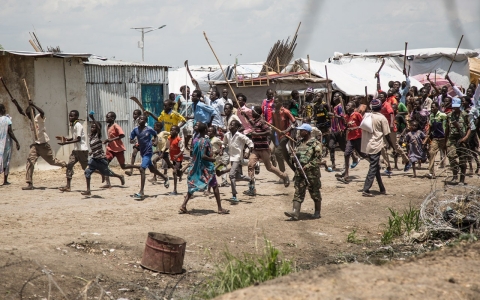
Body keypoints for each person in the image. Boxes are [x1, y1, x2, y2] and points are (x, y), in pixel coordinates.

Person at [179, 122, 230, 215]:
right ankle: (220, 208)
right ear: (206, 130)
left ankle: (183, 205)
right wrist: (213, 159)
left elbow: (194, 154)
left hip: (196, 167)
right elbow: (203, 156)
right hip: (206, 168)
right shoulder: (205, 141)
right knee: (215, 186)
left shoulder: (195, 140)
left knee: (192, 186)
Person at [246, 106, 289, 196]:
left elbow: (269, 132)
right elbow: (251, 122)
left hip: (264, 148)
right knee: (250, 166)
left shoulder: (262, 122)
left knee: (269, 168)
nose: (251, 113)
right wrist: (245, 116)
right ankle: (252, 188)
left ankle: (284, 176)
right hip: (256, 149)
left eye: (253, 111)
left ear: (257, 113)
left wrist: (257, 134)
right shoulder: (255, 122)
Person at [22, 101, 66, 190]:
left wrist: (33, 104)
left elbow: (42, 112)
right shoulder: (31, 121)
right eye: (27, 114)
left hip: (43, 145)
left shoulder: (38, 118)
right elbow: (21, 112)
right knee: (30, 162)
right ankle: (29, 183)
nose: (28, 116)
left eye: (29, 114)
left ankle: (66, 165)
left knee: (52, 161)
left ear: (33, 113)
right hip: (35, 145)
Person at [284, 123, 322, 220]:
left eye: (302, 130)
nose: (300, 132)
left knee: (315, 193)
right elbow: (296, 155)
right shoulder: (299, 143)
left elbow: (318, 160)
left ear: (307, 132)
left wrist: (306, 167)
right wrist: (293, 158)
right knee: (298, 192)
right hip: (299, 173)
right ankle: (295, 213)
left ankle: (317, 212)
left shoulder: (315, 143)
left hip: (312, 173)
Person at [127, 114, 169, 200]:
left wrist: (156, 142)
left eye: (143, 119)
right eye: (139, 118)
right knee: (152, 169)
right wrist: (133, 141)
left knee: (142, 169)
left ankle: (141, 192)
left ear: (146, 121)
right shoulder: (135, 130)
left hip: (148, 152)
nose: (140, 120)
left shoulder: (149, 129)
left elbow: (155, 135)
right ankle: (165, 178)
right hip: (142, 152)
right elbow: (131, 139)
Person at [359, 99, 395, 197]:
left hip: (367, 145)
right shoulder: (382, 118)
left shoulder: (367, 116)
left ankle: (382, 188)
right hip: (375, 145)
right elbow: (387, 135)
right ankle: (366, 189)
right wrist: (393, 146)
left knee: (376, 167)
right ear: (381, 108)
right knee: (373, 167)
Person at [81, 120, 124, 196]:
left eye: (94, 127)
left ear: (97, 129)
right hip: (94, 159)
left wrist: (93, 118)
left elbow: (98, 127)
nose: (92, 128)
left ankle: (120, 176)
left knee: (109, 173)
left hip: (101, 160)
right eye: (91, 127)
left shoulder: (98, 135)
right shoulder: (91, 137)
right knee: (87, 172)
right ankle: (88, 190)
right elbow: (95, 147)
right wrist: (92, 152)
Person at [221, 119, 254, 202]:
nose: (230, 126)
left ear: (236, 127)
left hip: (238, 157)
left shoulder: (240, 135)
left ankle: (234, 195)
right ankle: (250, 179)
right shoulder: (227, 135)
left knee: (231, 175)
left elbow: (250, 143)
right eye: (230, 125)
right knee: (237, 176)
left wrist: (248, 151)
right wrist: (222, 149)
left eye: (232, 125)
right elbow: (224, 143)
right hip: (231, 157)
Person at [57, 110, 89, 192]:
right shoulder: (73, 125)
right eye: (69, 116)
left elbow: (78, 139)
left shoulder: (78, 125)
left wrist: (66, 143)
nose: (70, 118)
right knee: (69, 165)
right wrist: (66, 139)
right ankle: (68, 186)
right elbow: (73, 138)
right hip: (76, 150)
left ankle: (102, 173)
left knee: (87, 168)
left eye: (72, 116)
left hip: (82, 150)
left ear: (77, 117)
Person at [445, 97, 473, 185]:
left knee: (463, 160)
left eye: (457, 106)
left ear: (460, 105)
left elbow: (469, 128)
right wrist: (445, 141)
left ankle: (462, 180)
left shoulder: (465, 115)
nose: (455, 108)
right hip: (452, 139)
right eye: (454, 107)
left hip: (462, 139)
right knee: (451, 156)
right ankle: (454, 175)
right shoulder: (449, 116)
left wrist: (465, 138)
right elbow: (447, 129)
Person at [338, 101, 367, 184]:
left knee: (363, 154)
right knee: (346, 154)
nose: (347, 107)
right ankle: (346, 175)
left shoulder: (357, 114)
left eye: (348, 105)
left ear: (353, 108)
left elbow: (363, 124)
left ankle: (374, 163)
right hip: (351, 138)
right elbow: (347, 125)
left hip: (358, 137)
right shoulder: (347, 116)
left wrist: (355, 128)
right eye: (346, 105)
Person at [102, 111, 128, 188]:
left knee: (123, 166)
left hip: (118, 148)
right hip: (110, 148)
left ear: (113, 118)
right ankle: (108, 183)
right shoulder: (108, 126)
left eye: (108, 117)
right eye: (106, 117)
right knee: (104, 164)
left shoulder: (116, 126)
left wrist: (110, 140)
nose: (106, 118)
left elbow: (122, 135)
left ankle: (137, 167)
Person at [272, 97, 296, 174]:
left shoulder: (286, 111)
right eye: (274, 102)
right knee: (286, 156)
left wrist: (286, 130)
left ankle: (282, 174)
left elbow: (295, 123)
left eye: (276, 102)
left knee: (277, 152)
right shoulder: (273, 113)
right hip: (279, 137)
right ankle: (297, 172)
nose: (275, 104)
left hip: (286, 135)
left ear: (280, 102)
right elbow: (273, 126)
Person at [0, 104, 20, 185]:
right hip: (6, 143)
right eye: (4, 108)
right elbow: (10, 132)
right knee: (7, 160)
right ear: (2, 110)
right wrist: (17, 141)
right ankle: (5, 180)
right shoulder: (7, 119)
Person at [165, 125, 184, 195]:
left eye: (172, 130)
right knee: (177, 172)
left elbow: (182, 150)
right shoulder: (169, 138)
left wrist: (177, 155)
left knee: (174, 172)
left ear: (177, 132)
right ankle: (180, 173)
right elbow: (167, 147)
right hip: (173, 158)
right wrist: (163, 153)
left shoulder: (179, 140)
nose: (171, 131)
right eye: (170, 130)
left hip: (179, 159)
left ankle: (175, 190)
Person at [125, 109, 142, 176]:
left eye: (136, 114)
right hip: (137, 141)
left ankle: (143, 169)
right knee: (134, 154)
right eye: (133, 114)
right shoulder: (134, 121)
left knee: (143, 156)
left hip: (141, 140)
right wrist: (132, 138)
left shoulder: (139, 120)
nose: (134, 115)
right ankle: (131, 170)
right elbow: (134, 131)